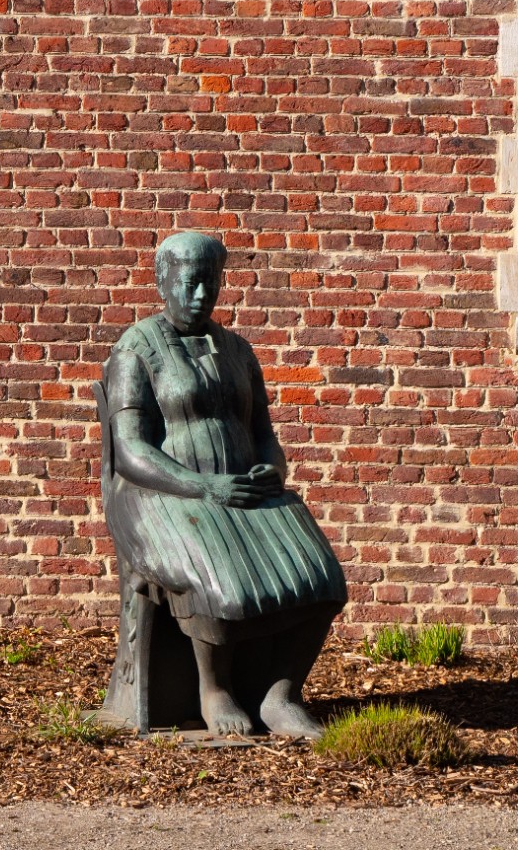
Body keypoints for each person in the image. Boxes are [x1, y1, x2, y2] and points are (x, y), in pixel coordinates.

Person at [98, 232, 347, 737]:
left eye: (210, 284)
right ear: (162, 280)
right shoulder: (136, 350)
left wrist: (272, 469)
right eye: (189, 283)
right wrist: (201, 487)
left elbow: (265, 436)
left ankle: (280, 696)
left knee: (322, 580)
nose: (200, 295)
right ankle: (215, 690)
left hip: (243, 491)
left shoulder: (236, 350)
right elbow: (129, 449)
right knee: (221, 583)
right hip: (160, 494)